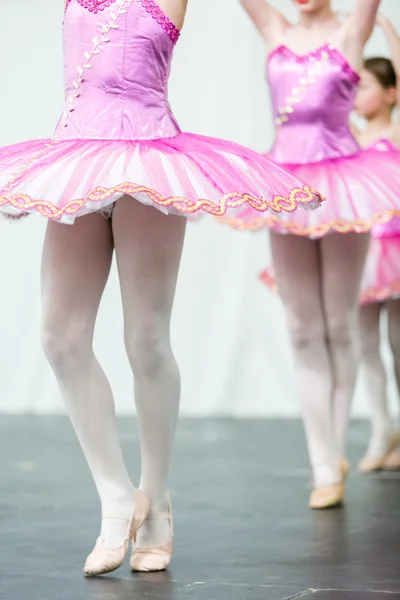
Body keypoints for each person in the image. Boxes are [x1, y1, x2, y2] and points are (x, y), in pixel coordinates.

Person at [0, 0, 322, 576]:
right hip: (79, 158)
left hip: (150, 160)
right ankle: (117, 495)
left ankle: (157, 499)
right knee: (60, 336)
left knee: (145, 338)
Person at [223, 0, 400, 510]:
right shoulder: (274, 26)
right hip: (285, 183)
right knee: (302, 328)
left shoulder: (350, 33)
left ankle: (336, 446)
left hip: (344, 179)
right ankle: (323, 462)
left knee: (340, 324)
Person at [353, 14, 400, 472]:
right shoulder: (350, 138)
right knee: (364, 345)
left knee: (399, 342)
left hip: (396, 250)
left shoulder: (393, 134)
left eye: (365, 86)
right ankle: (381, 430)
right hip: (364, 251)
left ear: (391, 93)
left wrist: (387, 34)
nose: (355, 95)